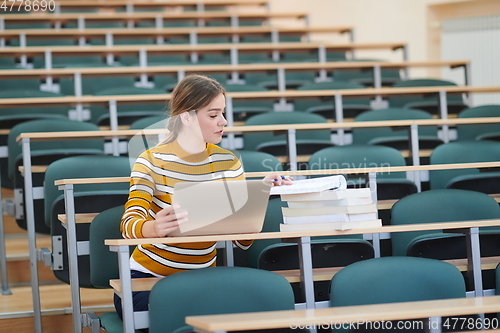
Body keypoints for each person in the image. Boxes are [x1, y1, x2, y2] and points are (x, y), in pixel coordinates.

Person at [115, 74, 292, 318]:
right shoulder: (150, 161)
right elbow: (128, 224)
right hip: (148, 279)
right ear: (186, 117)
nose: (224, 121)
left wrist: (258, 198)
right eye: (213, 115)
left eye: (223, 113)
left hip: (203, 280)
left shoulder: (228, 162)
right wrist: (154, 227)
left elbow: (241, 242)